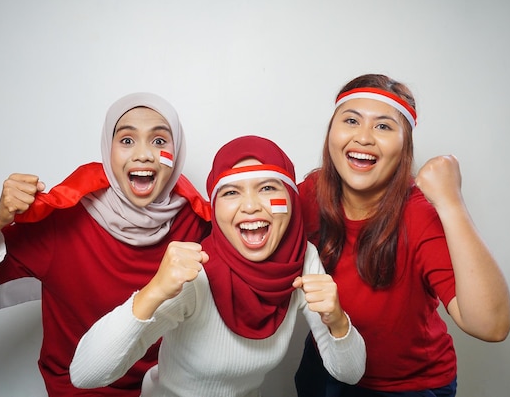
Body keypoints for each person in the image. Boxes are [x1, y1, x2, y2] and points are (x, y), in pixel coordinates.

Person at [0, 92, 211, 396]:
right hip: (79, 388)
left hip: (163, 388)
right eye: (126, 140)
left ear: (177, 152)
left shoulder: (196, 221)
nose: (144, 154)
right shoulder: (65, 220)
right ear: (108, 151)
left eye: (160, 141)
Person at [69, 135, 367, 397]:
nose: (250, 206)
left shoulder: (302, 259)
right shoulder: (196, 273)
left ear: (290, 199)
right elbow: (84, 375)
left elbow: (349, 373)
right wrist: (154, 291)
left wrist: (338, 320)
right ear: (215, 207)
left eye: (266, 187)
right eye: (231, 192)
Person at [294, 74, 510, 396]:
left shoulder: (419, 214)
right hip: (326, 363)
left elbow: (491, 325)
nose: (364, 137)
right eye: (351, 120)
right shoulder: (312, 192)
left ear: (405, 145)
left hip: (405, 386)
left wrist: (452, 203)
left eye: (383, 126)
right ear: (331, 131)